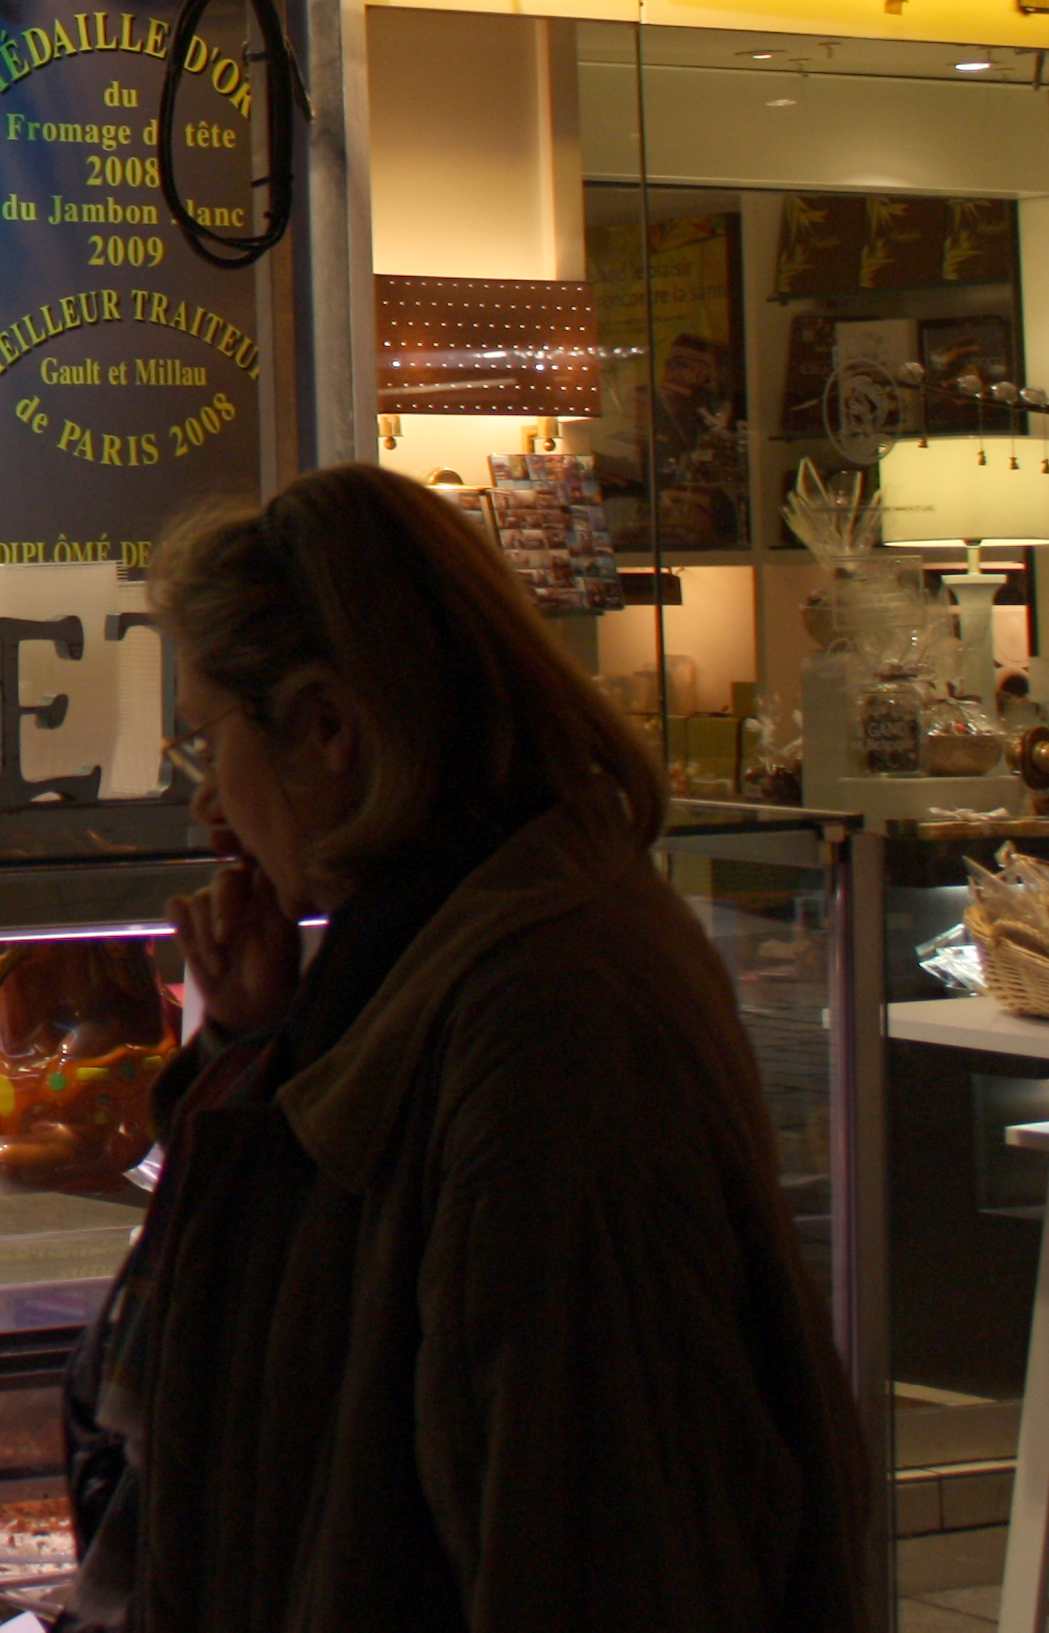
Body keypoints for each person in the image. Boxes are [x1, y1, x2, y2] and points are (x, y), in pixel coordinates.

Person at [66, 460, 870, 1631]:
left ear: (328, 726)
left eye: (206, 742)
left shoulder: (547, 1016)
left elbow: (594, 1529)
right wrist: (254, 1044)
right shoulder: (437, 951)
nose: (209, 805)